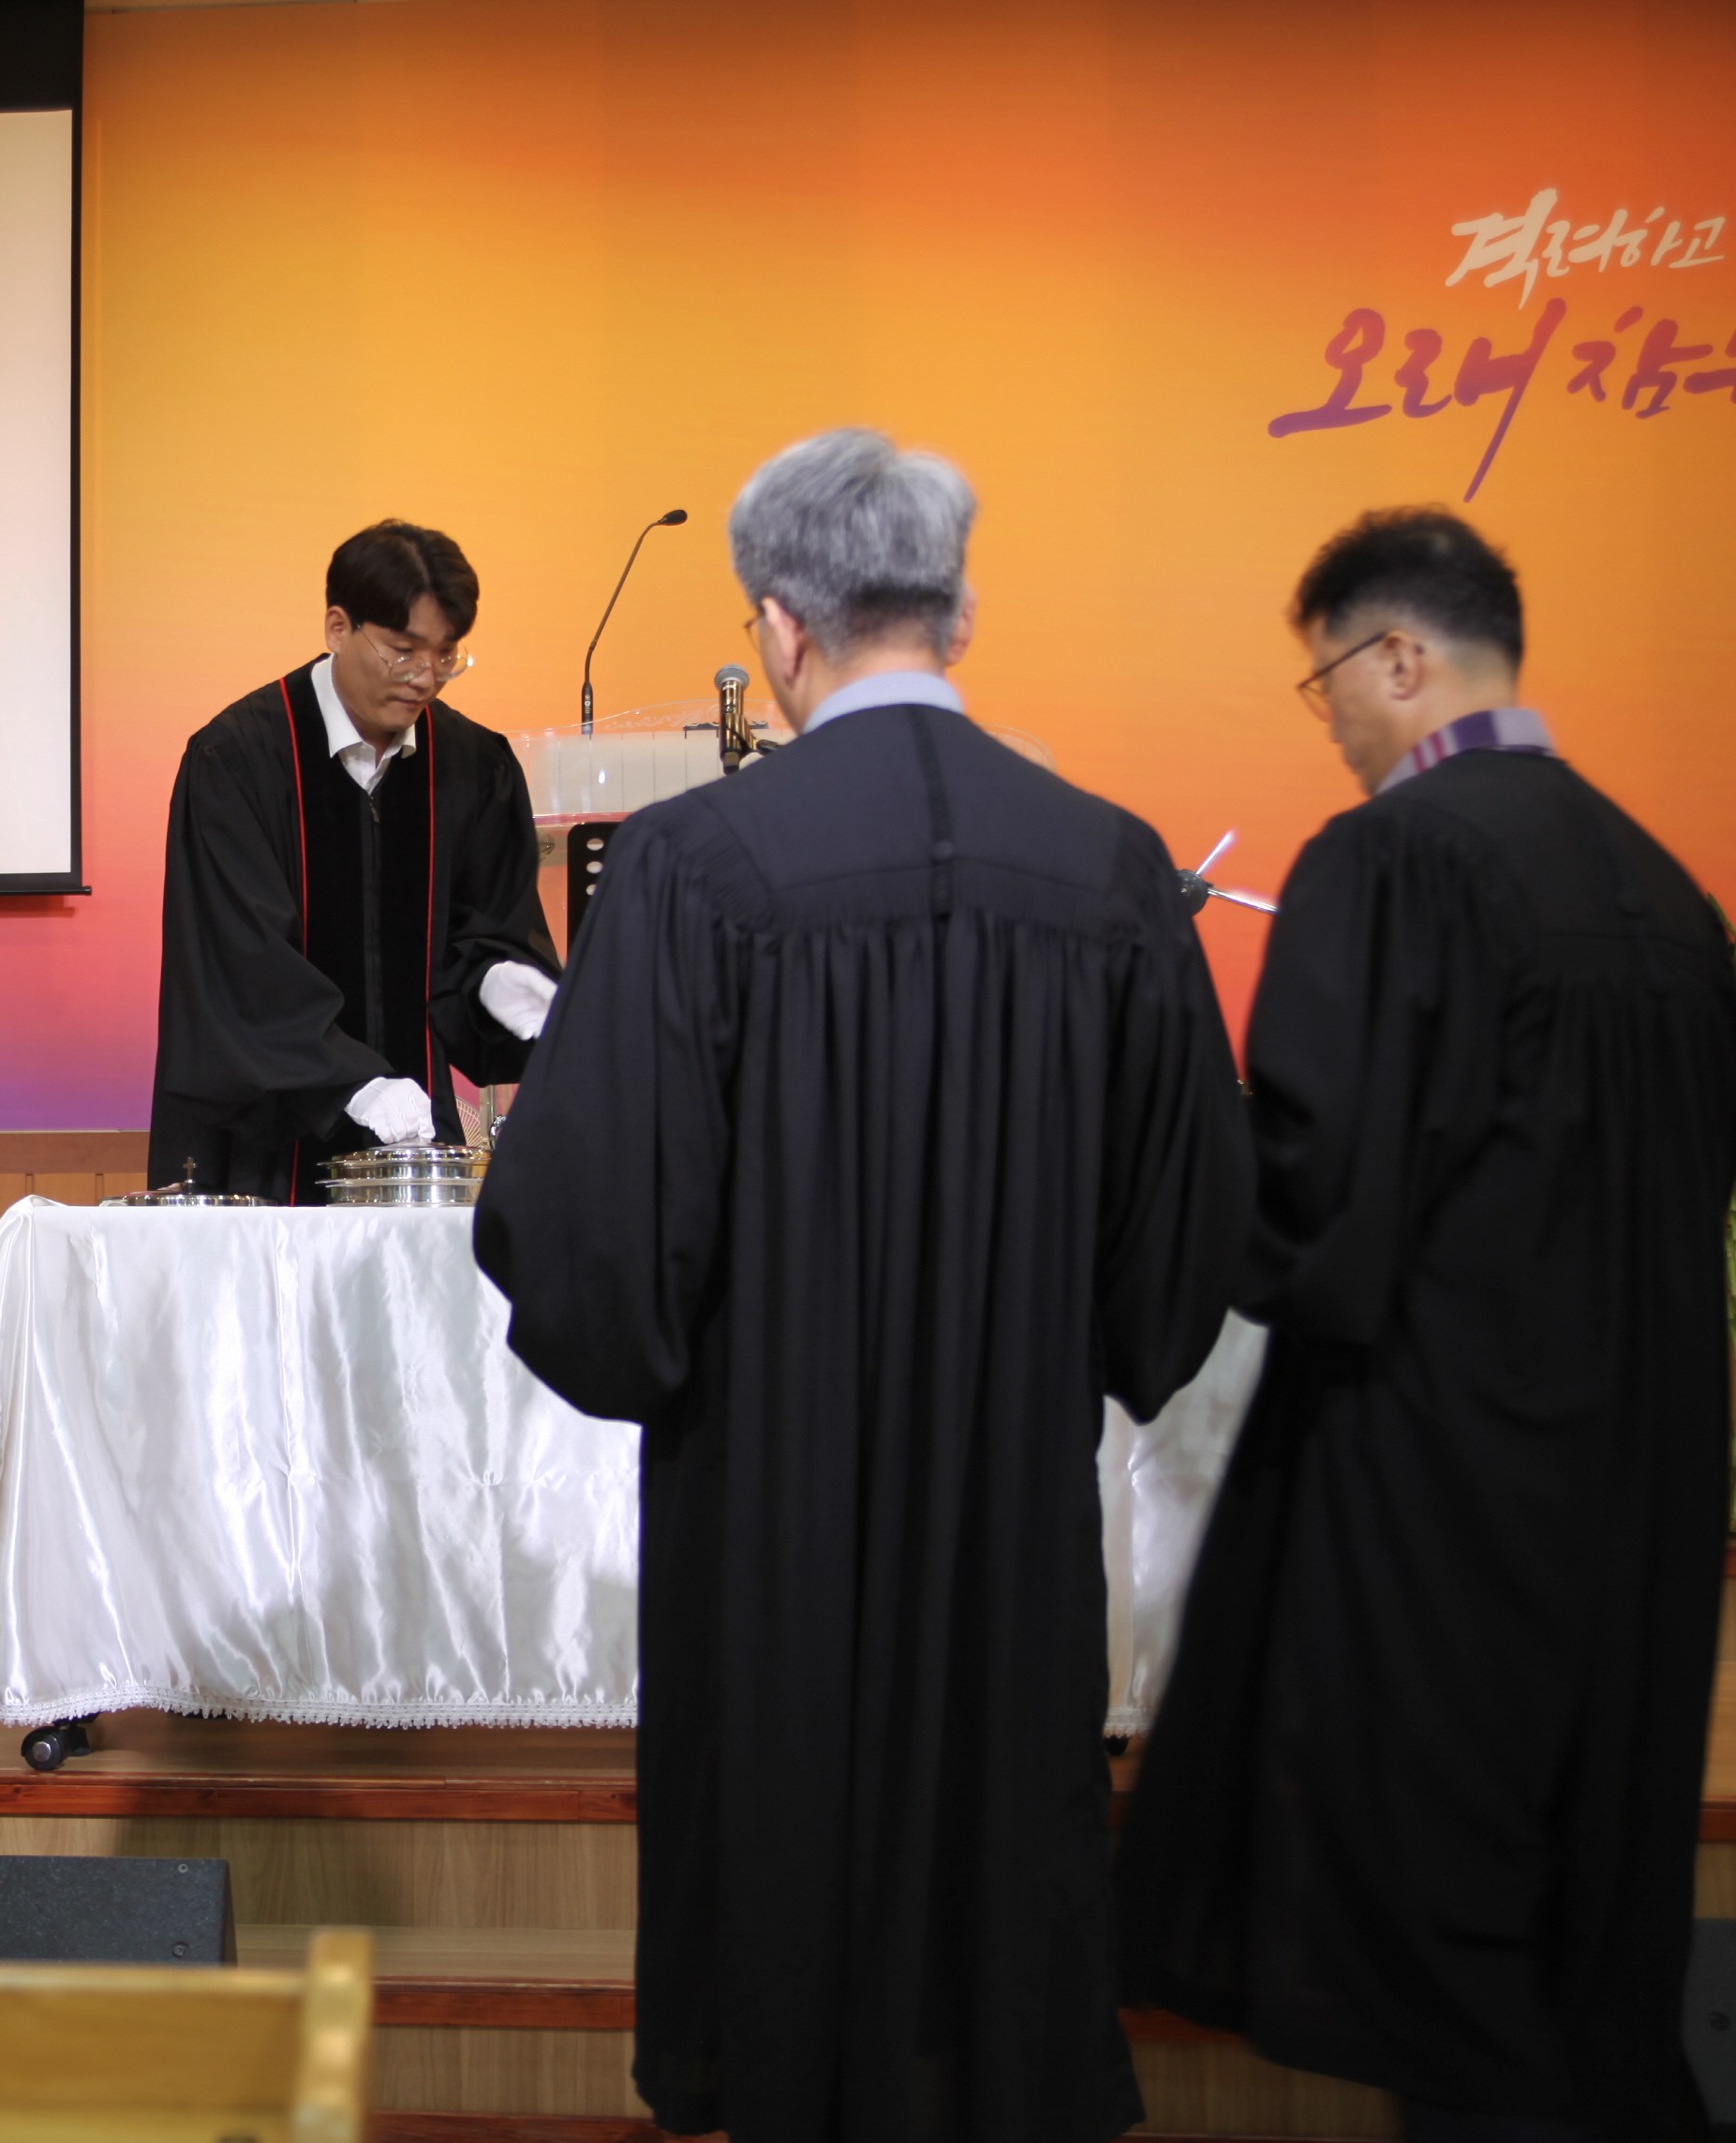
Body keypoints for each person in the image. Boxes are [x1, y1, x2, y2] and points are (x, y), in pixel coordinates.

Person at [473, 429, 1251, 2143]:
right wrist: (1060, 1341)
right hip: (1013, 1525)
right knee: (1000, 1920)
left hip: (768, 1537)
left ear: (776, 623)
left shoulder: (688, 868)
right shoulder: (1111, 869)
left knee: (789, 1922)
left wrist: (684, 1355)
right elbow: (1188, 1233)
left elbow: (587, 1234)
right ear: (957, 611)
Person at [1116, 511, 1736, 2143]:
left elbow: (1316, 1203)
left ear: (1397, 656)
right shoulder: (1663, 890)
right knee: (1587, 1926)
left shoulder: (1391, 859)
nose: (1324, 717)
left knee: (1448, 1943)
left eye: (1322, 677)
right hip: (1640, 1496)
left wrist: (1160, 1148)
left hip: (1443, 1488)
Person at [150, 521, 558, 1203]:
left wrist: (498, 980)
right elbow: (236, 964)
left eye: (446, 655)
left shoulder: (472, 765)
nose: (425, 679)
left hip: (412, 1150)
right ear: (338, 627)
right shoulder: (238, 760)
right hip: (264, 1154)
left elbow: (484, 930)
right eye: (403, 651)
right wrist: (352, 1081)